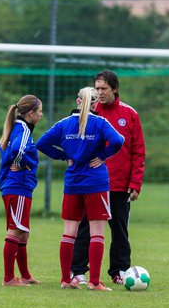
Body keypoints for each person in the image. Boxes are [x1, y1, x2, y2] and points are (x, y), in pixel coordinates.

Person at [36, 87, 124, 291]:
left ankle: (66, 280)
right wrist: (102, 156)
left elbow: (42, 144)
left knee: (69, 233)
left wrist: (63, 156)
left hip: (73, 184)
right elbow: (119, 140)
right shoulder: (100, 122)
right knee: (97, 234)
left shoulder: (63, 124)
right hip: (96, 183)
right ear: (95, 104)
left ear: (77, 101)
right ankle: (94, 282)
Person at [71, 70, 145, 285]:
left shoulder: (130, 114)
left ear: (115, 89)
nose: (99, 93)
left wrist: (135, 183)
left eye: (103, 89)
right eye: (97, 88)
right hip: (92, 183)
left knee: (119, 229)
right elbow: (74, 140)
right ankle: (78, 271)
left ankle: (120, 270)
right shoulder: (90, 112)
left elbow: (138, 151)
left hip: (120, 185)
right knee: (85, 228)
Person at [0, 94, 43, 286]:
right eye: (40, 111)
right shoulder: (23, 129)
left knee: (23, 232)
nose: (42, 115)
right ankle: (9, 278)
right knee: (16, 231)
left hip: (17, 186)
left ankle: (25, 276)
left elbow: (1, 147)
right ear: (30, 113)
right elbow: (16, 150)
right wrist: (20, 164)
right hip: (18, 185)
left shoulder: (17, 127)